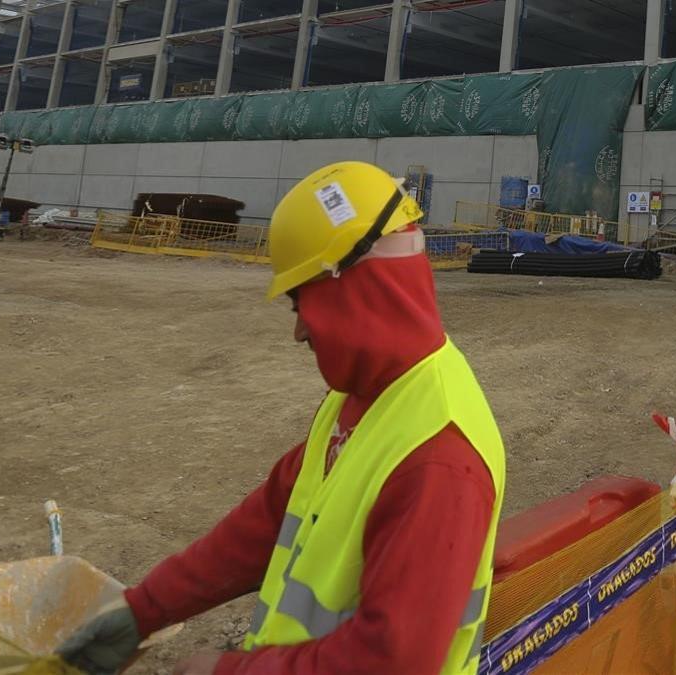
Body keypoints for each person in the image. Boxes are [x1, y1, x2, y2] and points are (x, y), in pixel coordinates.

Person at [57, 161, 505, 675]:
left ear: (353, 290)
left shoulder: (438, 458)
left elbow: (394, 660)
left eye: (299, 303)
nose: (298, 333)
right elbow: (269, 520)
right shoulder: (367, 397)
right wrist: (145, 610)